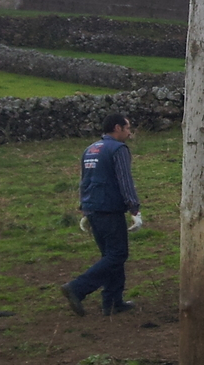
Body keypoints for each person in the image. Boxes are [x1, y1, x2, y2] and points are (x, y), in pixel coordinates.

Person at [61, 113, 142, 317]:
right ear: (117, 128)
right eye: (127, 128)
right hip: (110, 209)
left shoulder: (90, 149)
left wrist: (85, 208)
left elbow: (85, 181)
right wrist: (134, 208)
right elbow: (125, 181)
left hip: (93, 208)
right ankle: (78, 288)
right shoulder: (118, 149)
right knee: (117, 254)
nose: (130, 132)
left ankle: (113, 301)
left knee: (110, 255)